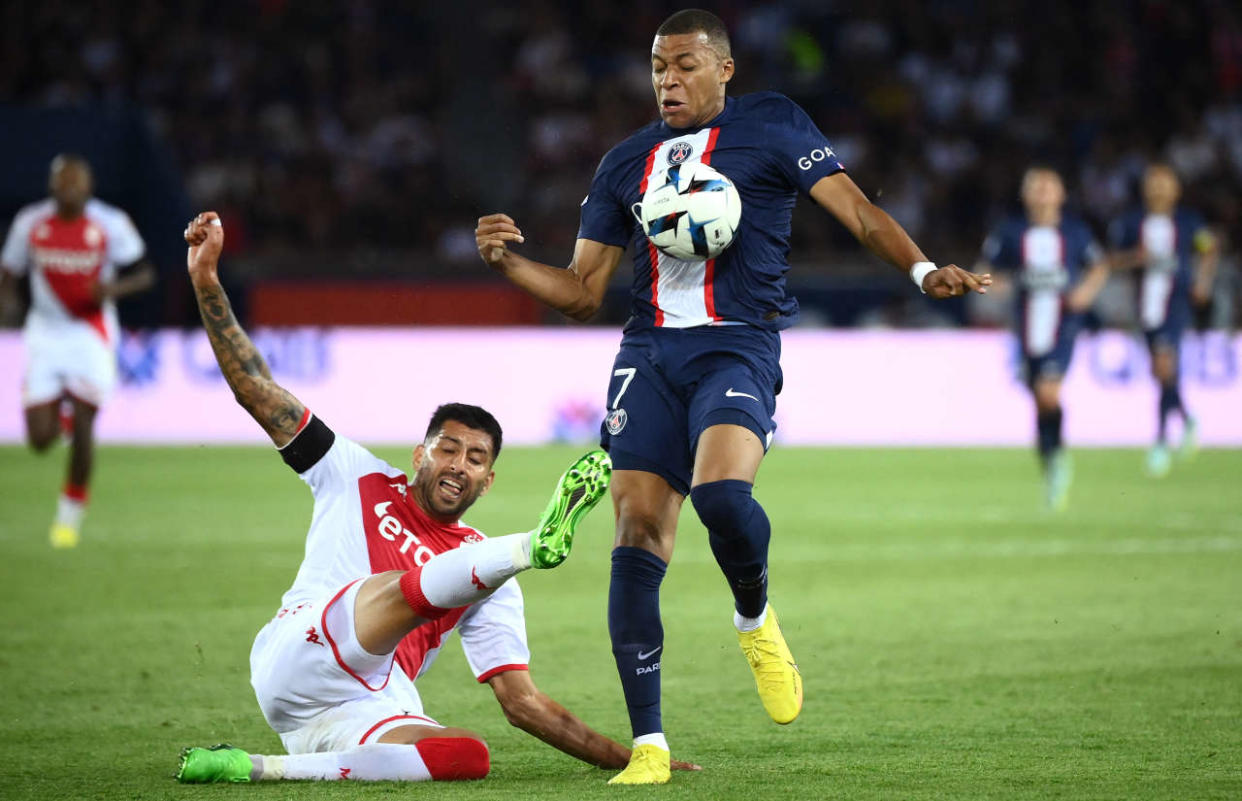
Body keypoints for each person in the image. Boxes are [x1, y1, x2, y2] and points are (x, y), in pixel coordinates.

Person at [475, 9, 990, 785]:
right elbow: (582, 293)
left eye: (683, 65)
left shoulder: (775, 124)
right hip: (649, 353)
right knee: (637, 527)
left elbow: (854, 208)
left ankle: (753, 614)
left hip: (738, 343)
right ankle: (648, 745)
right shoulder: (624, 162)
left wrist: (923, 270)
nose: (667, 81)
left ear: (724, 68)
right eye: (657, 69)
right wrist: (511, 263)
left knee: (720, 494)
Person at [174, 212, 697, 784]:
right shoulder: (353, 473)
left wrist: (635, 757)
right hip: (302, 652)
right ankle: (531, 545)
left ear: (488, 482)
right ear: (419, 455)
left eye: (476, 459)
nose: (459, 466)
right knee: (403, 589)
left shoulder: (484, 576)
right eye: (448, 450)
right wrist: (206, 279)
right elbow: (258, 391)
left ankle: (256, 768)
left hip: (366, 708)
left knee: (465, 758)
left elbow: (521, 703)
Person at [0, 154, 155, 548]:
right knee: (38, 440)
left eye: (77, 182)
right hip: (45, 334)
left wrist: (111, 290)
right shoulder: (30, 223)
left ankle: (68, 519)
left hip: (91, 334)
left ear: (89, 186)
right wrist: (8, 307)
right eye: (64, 182)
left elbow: (145, 273)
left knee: (86, 421)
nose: (71, 189)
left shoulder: (110, 223)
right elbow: (9, 272)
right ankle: (62, 416)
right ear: (52, 187)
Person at [978, 167, 1110, 510]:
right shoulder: (1010, 232)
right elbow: (987, 271)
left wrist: (1085, 293)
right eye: (1034, 187)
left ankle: (1058, 457)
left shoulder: (1075, 232)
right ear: (1024, 195)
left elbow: (1099, 265)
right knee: (1039, 399)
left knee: (1049, 392)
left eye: (1048, 187)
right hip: (1025, 328)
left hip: (1063, 324)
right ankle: (1051, 459)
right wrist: (997, 286)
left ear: (1061, 194)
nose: (1041, 193)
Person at [1108, 164, 1218, 476]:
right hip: (1146, 307)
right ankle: (1185, 418)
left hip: (1176, 304)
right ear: (1145, 189)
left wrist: (1203, 281)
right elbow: (1111, 260)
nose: (1158, 189)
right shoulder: (1131, 222)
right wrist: (1135, 258)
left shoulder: (1188, 221)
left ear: (1176, 189)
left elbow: (1209, 248)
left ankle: (1159, 442)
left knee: (1164, 366)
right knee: (1162, 373)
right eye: (1153, 184)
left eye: (1164, 184)